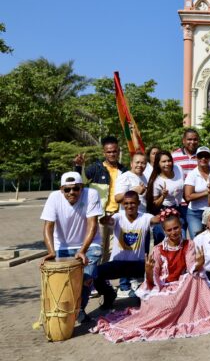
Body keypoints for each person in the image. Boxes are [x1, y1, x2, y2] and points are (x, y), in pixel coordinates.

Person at [92, 210, 210, 342]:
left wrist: (199, 263)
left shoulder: (188, 244)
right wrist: (149, 271)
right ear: (164, 231)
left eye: (176, 228)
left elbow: (191, 268)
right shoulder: (158, 250)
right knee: (166, 308)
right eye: (169, 230)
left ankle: (192, 310)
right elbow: (152, 281)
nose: (174, 232)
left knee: (195, 278)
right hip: (162, 287)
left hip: (182, 286)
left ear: (181, 227)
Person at [41, 172, 103, 323]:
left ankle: (79, 309)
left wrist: (82, 250)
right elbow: (48, 227)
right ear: (61, 189)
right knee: (62, 282)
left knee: (86, 278)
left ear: (82, 187)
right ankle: (62, 310)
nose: (71, 193)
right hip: (63, 245)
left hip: (89, 244)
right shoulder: (54, 197)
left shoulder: (91, 194)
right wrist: (51, 251)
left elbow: (92, 225)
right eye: (67, 190)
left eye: (76, 188)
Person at [93, 191, 160, 309]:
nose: (130, 206)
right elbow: (108, 221)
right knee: (94, 274)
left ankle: (143, 295)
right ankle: (109, 294)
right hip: (118, 263)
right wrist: (105, 219)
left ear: (138, 203)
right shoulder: (118, 216)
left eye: (133, 203)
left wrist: (166, 213)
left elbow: (156, 219)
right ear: (123, 204)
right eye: (127, 203)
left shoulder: (145, 217)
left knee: (156, 272)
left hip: (138, 264)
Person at [73, 136, 127, 218]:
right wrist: (79, 166)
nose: (112, 154)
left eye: (114, 151)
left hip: (119, 215)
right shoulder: (95, 168)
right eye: (109, 152)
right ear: (104, 153)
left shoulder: (124, 171)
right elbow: (80, 182)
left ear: (118, 151)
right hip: (99, 216)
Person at [146, 150, 186, 243]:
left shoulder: (178, 168)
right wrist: (163, 196)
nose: (167, 164)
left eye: (169, 160)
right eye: (163, 162)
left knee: (181, 239)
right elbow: (155, 204)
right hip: (165, 212)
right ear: (158, 164)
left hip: (179, 208)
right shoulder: (157, 181)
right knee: (166, 240)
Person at [183, 146, 210, 238]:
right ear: (196, 157)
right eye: (200, 156)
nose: (203, 158)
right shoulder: (192, 174)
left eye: (206, 156)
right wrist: (207, 192)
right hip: (195, 213)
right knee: (197, 239)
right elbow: (188, 196)